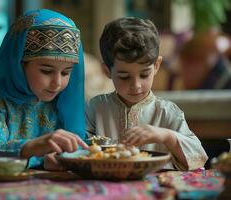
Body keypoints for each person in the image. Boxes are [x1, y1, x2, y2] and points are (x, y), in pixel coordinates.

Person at [0, 9, 88, 170]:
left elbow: (82, 147)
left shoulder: (65, 101)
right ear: (19, 65)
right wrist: (34, 148)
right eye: (46, 71)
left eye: (66, 72)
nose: (57, 83)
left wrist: (61, 158)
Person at [86, 17, 208, 170]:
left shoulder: (167, 112)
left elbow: (198, 157)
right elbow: (79, 151)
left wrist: (165, 136)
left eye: (144, 75)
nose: (136, 86)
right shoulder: (95, 108)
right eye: (124, 77)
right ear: (107, 71)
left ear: (156, 66)